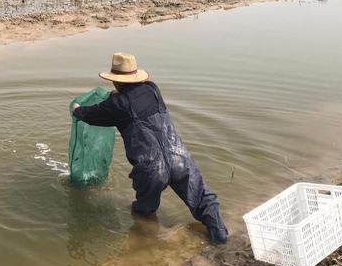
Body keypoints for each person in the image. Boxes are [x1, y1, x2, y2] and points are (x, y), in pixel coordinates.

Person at [73, 52, 228, 244]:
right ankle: (220, 241)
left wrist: (77, 109)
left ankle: (147, 251)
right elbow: (134, 102)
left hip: (152, 169)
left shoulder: (117, 104)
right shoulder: (153, 90)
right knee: (204, 201)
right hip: (180, 158)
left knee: (143, 212)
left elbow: (92, 114)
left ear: (116, 81)